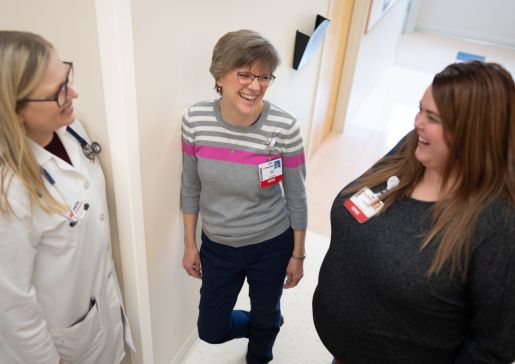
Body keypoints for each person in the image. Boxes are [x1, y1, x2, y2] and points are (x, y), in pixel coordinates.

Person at [313, 61, 515, 364]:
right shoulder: (413, 149)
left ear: (472, 134)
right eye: (420, 109)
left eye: (432, 117)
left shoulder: (497, 224)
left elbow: (493, 345)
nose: (417, 122)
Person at [0, 31, 134, 363]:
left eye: (66, 77)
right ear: (14, 110)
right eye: (57, 91)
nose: (73, 93)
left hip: (99, 313)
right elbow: (11, 306)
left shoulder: (72, 130)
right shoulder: (9, 191)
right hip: (60, 347)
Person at [181, 29, 307, 364]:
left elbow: (297, 194)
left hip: (270, 243)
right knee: (211, 328)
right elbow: (190, 185)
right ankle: (265, 325)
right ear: (219, 74)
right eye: (245, 75)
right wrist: (190, 244)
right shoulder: (195, 121)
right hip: (218, 246)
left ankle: (261, 348)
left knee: (265, 320)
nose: (255, 86)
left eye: (264, 77)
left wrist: (298, 254)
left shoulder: (284, 127)